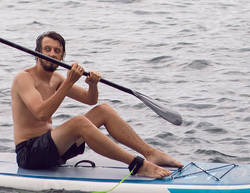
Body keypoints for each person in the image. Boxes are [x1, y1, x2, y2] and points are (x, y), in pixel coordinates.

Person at [11, 30, 181, 179]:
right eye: (47, 49)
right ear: (37, 53)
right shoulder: (24, 78)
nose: (52, 54)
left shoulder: (56, 79)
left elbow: (90, 100)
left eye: (57, 51)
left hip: (54, 150)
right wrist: (68, 82)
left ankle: (150, 153)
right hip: (29, 153)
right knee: (79, 122)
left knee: (103, 110)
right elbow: (40, 113)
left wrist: (92, 84)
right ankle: (137, 165)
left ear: (62, 57)